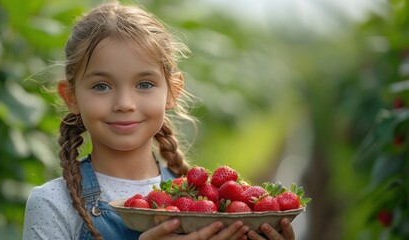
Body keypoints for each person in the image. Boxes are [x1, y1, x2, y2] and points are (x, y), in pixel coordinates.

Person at [22, 1, 296, 240]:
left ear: (172, 91)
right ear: (71, 97)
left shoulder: (201, 202)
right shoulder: (54, 204)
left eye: (144, 84)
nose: (125, 104)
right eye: (101, 86)